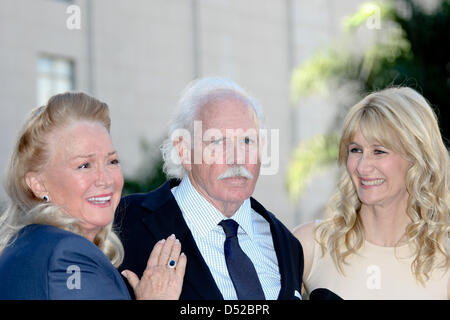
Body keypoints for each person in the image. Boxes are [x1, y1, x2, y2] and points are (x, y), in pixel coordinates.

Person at [115, 77, 304, 300]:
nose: (237, 159)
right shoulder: (123, 224)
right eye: (218, 142)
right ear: (184, 150)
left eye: (247, 141)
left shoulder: (287, 245)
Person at [0, 92, 186, 299]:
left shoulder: (25, 246)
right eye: (84, 165)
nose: (105, 179)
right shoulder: (67, 254)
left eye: (112, 161)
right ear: (38, 184)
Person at [294, 87, 449, 300]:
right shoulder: (310, 245)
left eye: (379, 151)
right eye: (356, 150)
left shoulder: (445, 262)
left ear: (416, 159)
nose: (362, 167)